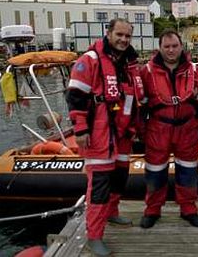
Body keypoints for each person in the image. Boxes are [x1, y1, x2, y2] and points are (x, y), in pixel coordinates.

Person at [65, 18, 144, 256]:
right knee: (99, 186)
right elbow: (76, 95)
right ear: (108, 33)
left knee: (120, 176)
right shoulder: (90, 60)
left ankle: (112, 213)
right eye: (119, 34)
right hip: (99, 133)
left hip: (122, 132)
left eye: (127, 36)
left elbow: (134, 97)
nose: (123, 40)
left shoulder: (129, 62)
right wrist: (80, 129)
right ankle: (94, 236)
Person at [139, 29, 198, 228]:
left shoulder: (194, 70)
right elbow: (141, 105)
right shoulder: (147, 71)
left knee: (188, 171)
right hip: (158, 128)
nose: (171, 50)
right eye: (166, 46)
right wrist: (142, 131)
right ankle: (152, 210)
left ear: (181, 46)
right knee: (155, 172)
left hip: (186, 128)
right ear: (159, 48)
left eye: (175, 46)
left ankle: (188, 209)